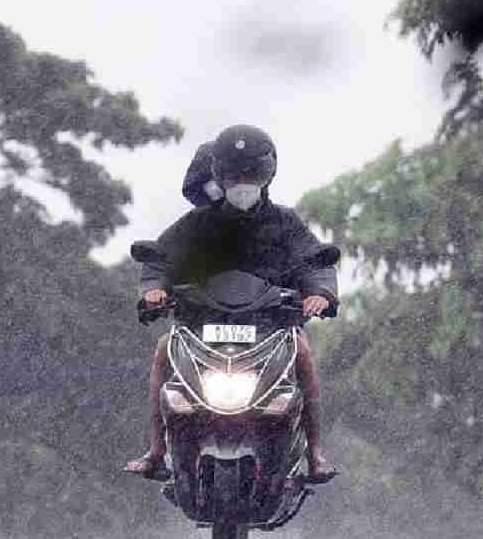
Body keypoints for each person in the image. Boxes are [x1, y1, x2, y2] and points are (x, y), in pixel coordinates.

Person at [122, 124, 339, 483]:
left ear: (267, 174)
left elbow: (313, 260)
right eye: (234, 174)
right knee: (164, 348)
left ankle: (315, 453)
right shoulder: (197, 222)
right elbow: (160, 258)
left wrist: (320, 293)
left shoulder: (285, 222)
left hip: (271, 328)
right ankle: (157, 452)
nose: (243, 182)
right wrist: (154, 290)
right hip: (200, 327)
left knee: (302, 349)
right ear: (218, 176)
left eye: (251, 173)